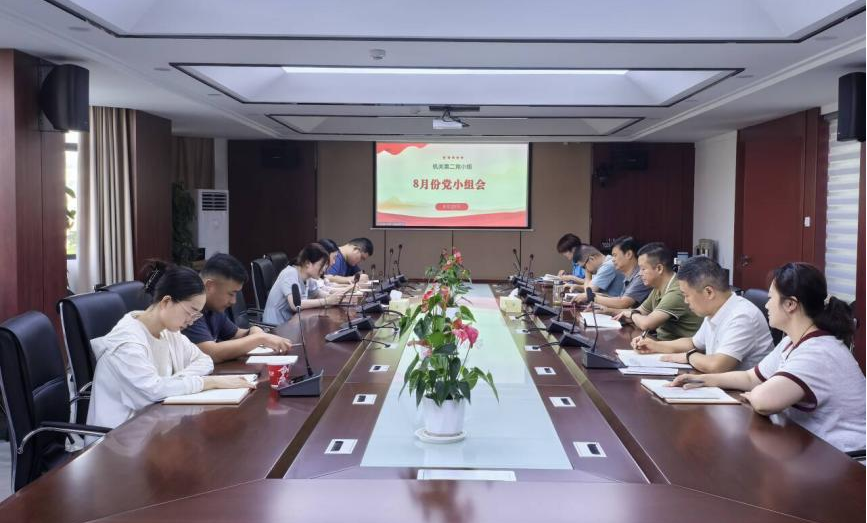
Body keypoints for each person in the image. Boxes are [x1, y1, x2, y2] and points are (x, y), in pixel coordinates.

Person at [670, 263, 865, 453]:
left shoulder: (818, 351)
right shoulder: (791, 341)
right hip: (810, 446)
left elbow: (764, 402)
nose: (766, 305)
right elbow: (751, 377)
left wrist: (755, 394)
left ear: (790, 304)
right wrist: (704, 380)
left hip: (845, 459)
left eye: (771, 298)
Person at [87, 261, 255, 430]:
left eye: (196, 315)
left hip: (155, 425)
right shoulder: (127, 343)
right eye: (190, 312)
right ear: (166, 301)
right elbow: (153, 391)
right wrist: (208, 382)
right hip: (120, 434)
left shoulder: (168, 332)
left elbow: (204, 361)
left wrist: (171, 383)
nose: (191, 321)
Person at [633, 256, 773, 373]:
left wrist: (688, 357)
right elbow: (693, 343)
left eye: (687, 295)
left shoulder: (742, 316)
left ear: (708, 292)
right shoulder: (716, 308)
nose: (685, 301)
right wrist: (655, 346)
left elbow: (716, 366)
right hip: (719, 386)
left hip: (741, 394)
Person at [182, 253, 295, 363]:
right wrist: (260, 338)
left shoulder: (213, 308)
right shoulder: (189, 309)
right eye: (231, 294)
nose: (234, 301)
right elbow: (211, 353)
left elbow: (235, 334)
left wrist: (253, 330)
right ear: (210, 286)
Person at [610, 242, 702, 340]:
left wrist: (632, 315)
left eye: (643, 269)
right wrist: (629, 315)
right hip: (662, 343)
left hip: (676, 347)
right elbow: (641, 311)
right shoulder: (658, 288)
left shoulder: (676, 291)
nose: (640, 273)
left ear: (659, 268)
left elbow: (646, 324)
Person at [264, 243, 347, 324]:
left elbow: (317, 293)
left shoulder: (308, 278)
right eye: (322, 265)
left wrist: (337, 298)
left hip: (293, 322)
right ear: (308, 263)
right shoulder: (290, 274)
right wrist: (326, 301)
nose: (324, 269)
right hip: (276, 326)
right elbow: (295, 305)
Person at [587, 236, 651, 310]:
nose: (613, 260)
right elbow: (621, 299)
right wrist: (602, 304)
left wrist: (593, 297)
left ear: (629, 254)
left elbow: (623, 303)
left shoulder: (641, 275)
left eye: (615, 255)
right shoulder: (628, 275)